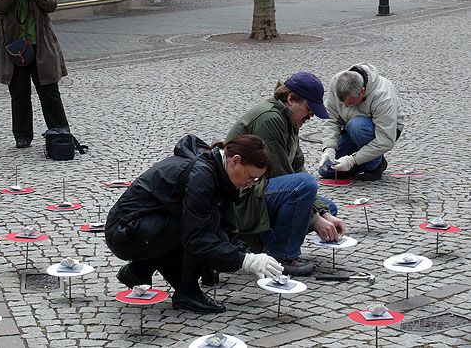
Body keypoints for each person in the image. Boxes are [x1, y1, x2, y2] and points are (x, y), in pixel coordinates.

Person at [105, 134, 283, 314]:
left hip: (144, 226)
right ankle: (186, 291)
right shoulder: (202, 176)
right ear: (235, 161)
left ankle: (140, 270)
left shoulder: (219, 173)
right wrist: (244, 261)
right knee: (197, 230)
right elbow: (197, 238)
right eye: (251, 177)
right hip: (124, 231)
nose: (250, 184)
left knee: (203, 226)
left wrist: (250, 254)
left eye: (255, 181)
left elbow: (227, 228)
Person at [226, 72, 346, 276]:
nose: (311, 115)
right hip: (241, 198)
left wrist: (322, 213)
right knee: (305, 187)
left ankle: (261, 240)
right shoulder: (270, 119)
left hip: (259, 192)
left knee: (328, 208)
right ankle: (282, 254)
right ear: (291, 99)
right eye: (309, 108)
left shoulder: (288, 119)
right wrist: (315, 219)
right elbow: (279, 175)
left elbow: (297, 168)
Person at [0, 0, 70, 149]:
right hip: (14, 46)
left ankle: (60, 131)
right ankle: (22, 135)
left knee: (49, 89)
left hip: (40, 44)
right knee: (19, 93)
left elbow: (51, 5)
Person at [319, 63, 404, 181]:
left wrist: (352, 160)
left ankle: (375, 165)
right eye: (342, 103)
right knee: (326, 170)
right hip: (351, 130)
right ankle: (365, 160)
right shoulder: (336, 82)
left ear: (362, 91)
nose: (345, 106)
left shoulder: (383, 96)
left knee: (357, 125)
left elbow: (385, 140)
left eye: (350, 103)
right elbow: (331, 118)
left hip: (382, 132)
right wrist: (329, 148)